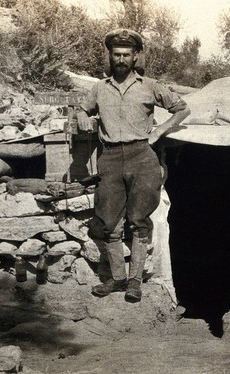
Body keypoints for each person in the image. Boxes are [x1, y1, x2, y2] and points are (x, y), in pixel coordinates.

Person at [77, 28, 190, 302]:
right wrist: (82, 115)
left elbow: (183, 108)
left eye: (127, 54)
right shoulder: (99, 88)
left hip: (142, 155)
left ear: (135, 56)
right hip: (111, 157)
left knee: (140, 221)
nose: (121, 59)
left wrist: (160, 130)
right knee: (109, 223)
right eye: (116, 54)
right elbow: (83, 109)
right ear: (110, 56)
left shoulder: (149, 86)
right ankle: (117, 279)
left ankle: (135, 282)